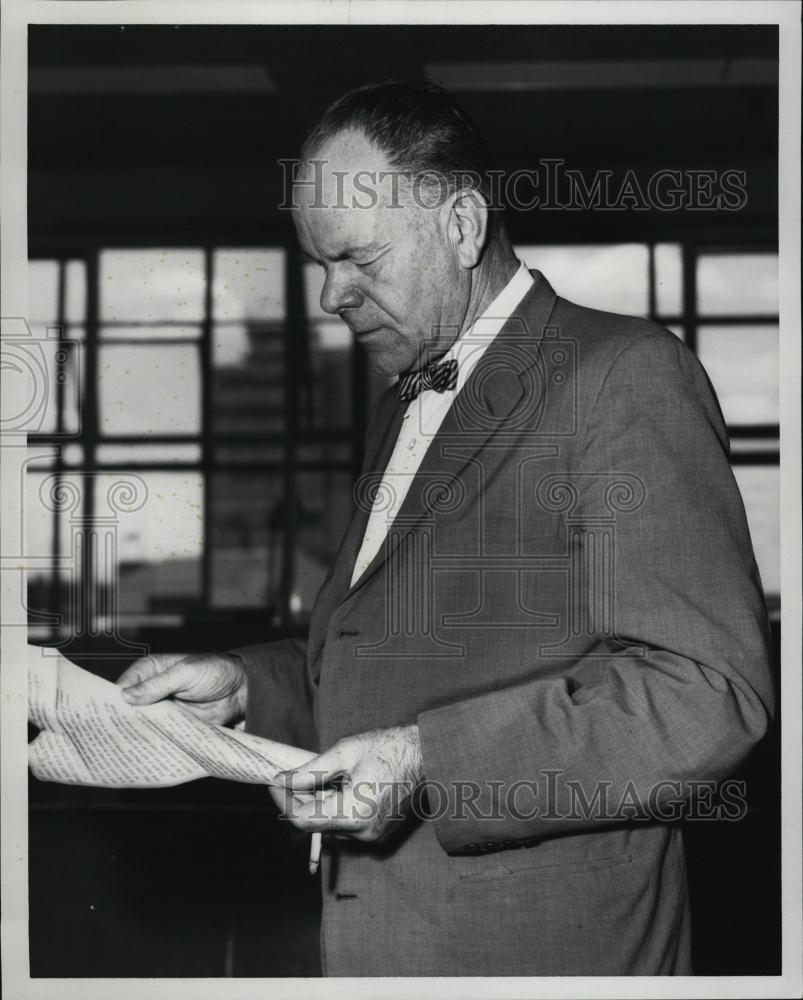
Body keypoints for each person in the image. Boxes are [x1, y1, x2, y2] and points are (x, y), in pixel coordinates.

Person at [117, 80, 775, 976]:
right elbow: (389, 668)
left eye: (358, 259)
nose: (329, 295)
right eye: (318, 262)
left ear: (462, 226)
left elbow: (705, 694)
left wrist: (429, 760)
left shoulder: (623, 376)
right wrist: (246, 688)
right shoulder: (403, 404)